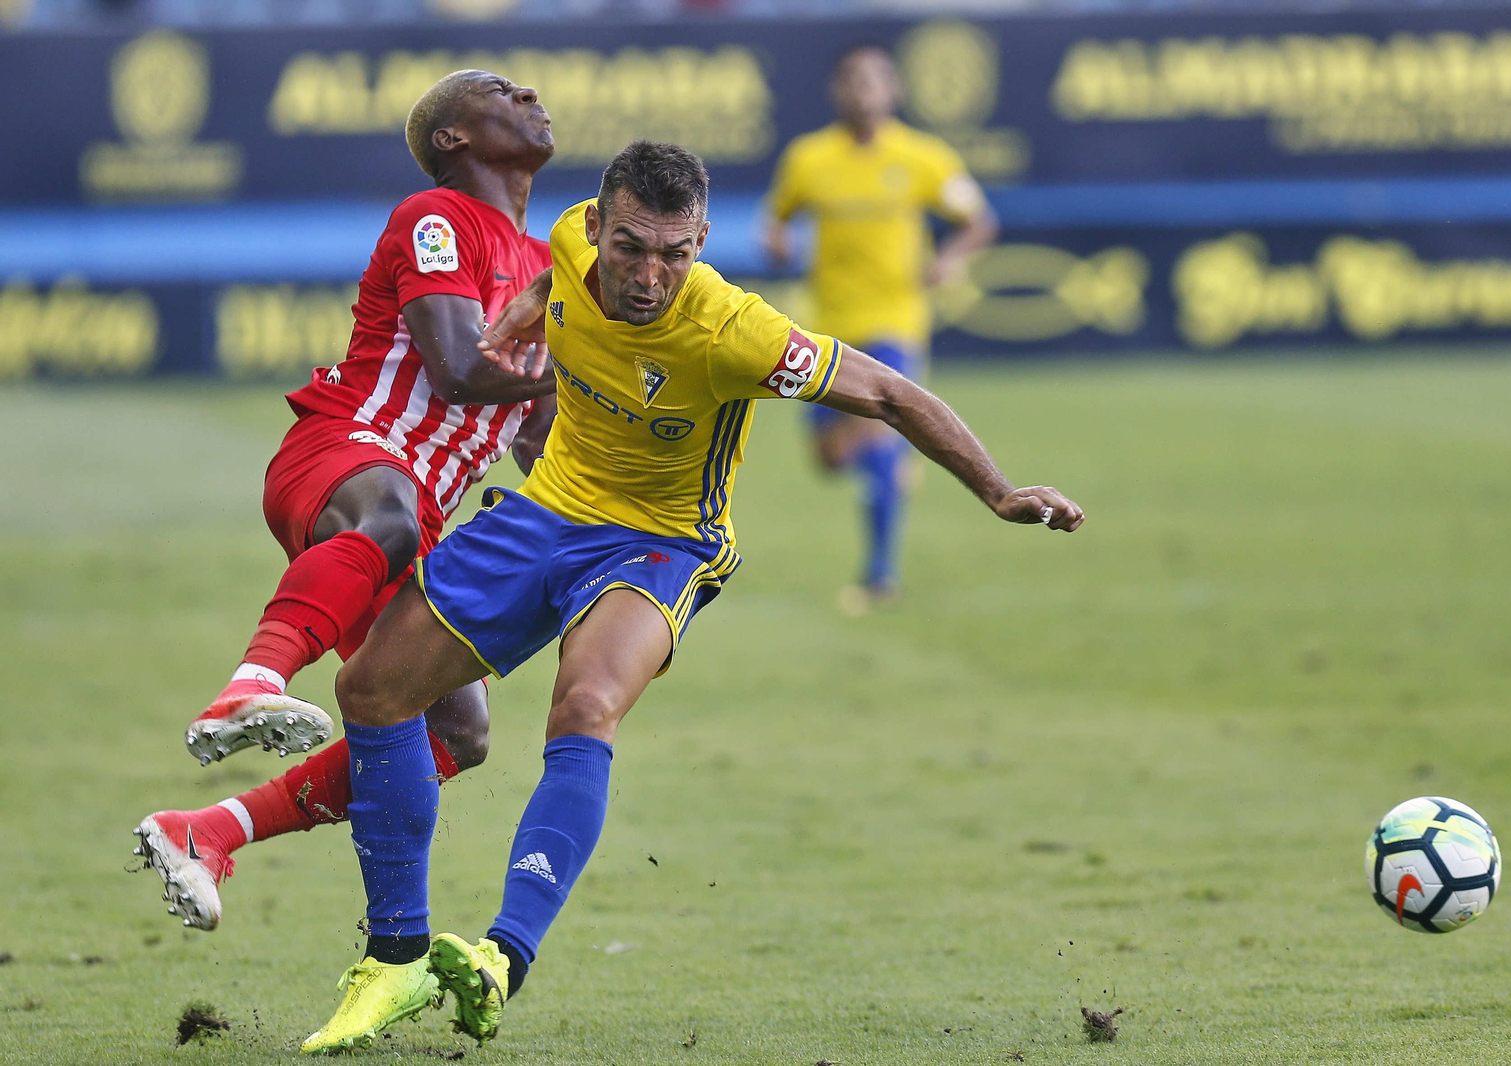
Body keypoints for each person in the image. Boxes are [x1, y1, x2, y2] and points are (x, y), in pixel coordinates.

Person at [295, 139, 1082, 1054]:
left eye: (676, 253)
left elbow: (893, 395)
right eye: (631, 247)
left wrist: (1000, 492)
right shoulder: (566, 244)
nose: (650, 275)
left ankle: (503, 959)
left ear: (703, 240)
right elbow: (558, 283)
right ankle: (394, 959)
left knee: (586, 703)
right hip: (550, 506)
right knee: (371, 690)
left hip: (662, 541)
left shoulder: (732, 330)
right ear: (596, 226)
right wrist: (525, 307)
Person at [132, 69, 558, 935]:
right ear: (452, 139)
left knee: (456, 730)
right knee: (394, 521)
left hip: (414, 514)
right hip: (347, 453)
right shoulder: (438, 217)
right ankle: (251, 683)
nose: (526, 91)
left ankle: (210, 830)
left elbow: (538, 434)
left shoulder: (546, 267)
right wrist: (583, 368)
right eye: (499, 91)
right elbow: (455, 368)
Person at [763, 43, 998, 612]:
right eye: (853, 83)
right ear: (837, 92)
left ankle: (879, 574)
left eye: (875, 82)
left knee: (880, 434)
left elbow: (978, 221)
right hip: (828, 326)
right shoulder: (809, 158)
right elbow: (778, 217)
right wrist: (777, 241)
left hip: (896, 322)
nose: (864, 94)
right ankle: (891, 462)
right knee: (828, 457)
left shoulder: (923, 157)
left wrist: (949, 260)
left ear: (893, 92)